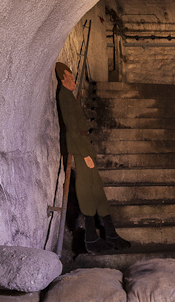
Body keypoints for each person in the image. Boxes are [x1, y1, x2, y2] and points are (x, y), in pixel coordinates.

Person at [55, 62, 131, 254]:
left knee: (96, 189)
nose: (72, 81)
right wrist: (84, 153)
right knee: (86, 192)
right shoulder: (64, 97)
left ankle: (110, 233)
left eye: (72, 78)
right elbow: (71, 128)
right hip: (81, 150)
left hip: (85, 147)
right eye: (69, 78)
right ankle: (90, 238)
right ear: (62, 79)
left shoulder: (70, 97)